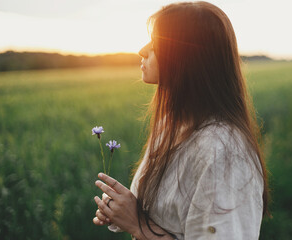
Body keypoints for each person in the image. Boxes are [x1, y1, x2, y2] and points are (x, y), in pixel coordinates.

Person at [93, 1, 270, 239]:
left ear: (186, 56)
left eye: (156, 43)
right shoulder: (171, 124)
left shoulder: (222, 153)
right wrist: (123, 209)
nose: (142, 50)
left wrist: (137, 225)